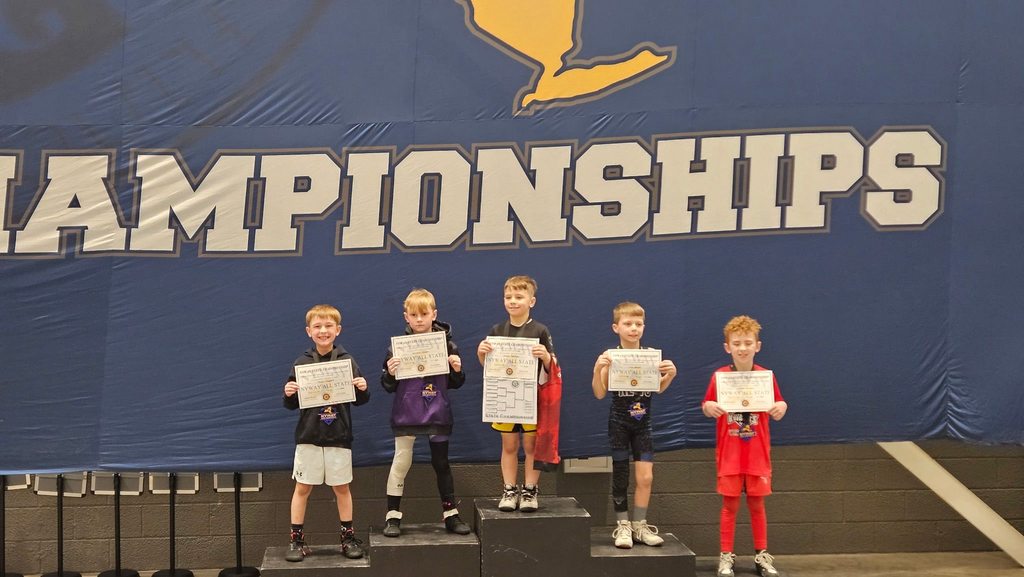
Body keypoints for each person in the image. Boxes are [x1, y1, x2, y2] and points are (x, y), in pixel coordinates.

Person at [380, 289, 472, 537]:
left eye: (424, 313)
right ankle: (392, 517)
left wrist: (456, 369)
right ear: (406, 317)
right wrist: (389, 372)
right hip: (406, 413)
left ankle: (451, 515)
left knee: (441, 463)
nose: (419, 319)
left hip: (436, 412)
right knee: (401, 461)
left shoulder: (448, 345)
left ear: (434, 314)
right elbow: (387, 386)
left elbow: (456, 383)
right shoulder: (396, 347)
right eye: (413, 314)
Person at [282, 304, 370, 562]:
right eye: (318, 327)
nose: (323, 331)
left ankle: (348, 538)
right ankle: (296, 541)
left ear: (338, 330)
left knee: (342, 488)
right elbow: (291, 403)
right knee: (302, 488)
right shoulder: (301, 362)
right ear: (309, 331)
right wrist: (288, 394)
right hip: (308, 436)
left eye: (328, 326)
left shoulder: (347, 361)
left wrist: (363, 389)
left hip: (338, 436)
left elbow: (361, 400)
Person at [701, 315, 787, 577]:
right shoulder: (720, 377)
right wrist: (709, 407)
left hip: (757, 453)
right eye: (736, 343)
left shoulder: (765, 377)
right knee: (729, 506)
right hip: (730, 454)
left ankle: (761, 554)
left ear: (757, 346)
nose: (742, 348)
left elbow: (781, 403)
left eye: (747, 342)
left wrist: (782, 407)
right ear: (727, 347)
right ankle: (726, 555)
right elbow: (706, 406)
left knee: (757, 505)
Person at [591, 302, 677, 549]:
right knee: (621, 476)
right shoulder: (611, 356)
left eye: (638, 324)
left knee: (646, 477)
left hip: (643, 424)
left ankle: (639, 524)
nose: (633, 328)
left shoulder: (650, 355)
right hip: (619, 423)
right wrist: (598, 370)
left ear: (644, 327)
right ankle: (622, 526)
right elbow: (599, 393)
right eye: (628, 324)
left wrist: (669, 375)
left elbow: (657, 388)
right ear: (616, 327)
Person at [476, 275, 555, 512]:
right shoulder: (497, 330)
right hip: (504, 398)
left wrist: (546, 356)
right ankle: (509, 490)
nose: (513, 301)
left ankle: (530, 491)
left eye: (519, 297)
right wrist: (481, 354)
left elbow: (552, 369)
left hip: (531, 398)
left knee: (531, 446)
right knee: (509, 445)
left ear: (532, 301)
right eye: (508, 297)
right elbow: (490, 368)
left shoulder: (540, 330)